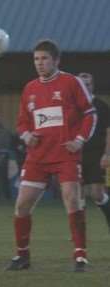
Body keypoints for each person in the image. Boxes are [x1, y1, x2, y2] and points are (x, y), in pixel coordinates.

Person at [7, 40, 96, 272]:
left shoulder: (71, 82)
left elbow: (89, 114)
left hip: (65, 154)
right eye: (36, 59)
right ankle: (22, 256)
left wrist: (79, 140)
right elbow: (22, 122)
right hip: (38, 156)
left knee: (71, 198)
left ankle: (80, 256)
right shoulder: (30, 88)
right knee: (22, 205)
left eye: (44, 58)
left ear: (56, 60)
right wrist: (27, 136)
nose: (40, 63)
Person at [77, 72, 110, 228]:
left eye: (88, 84)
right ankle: (80, 233)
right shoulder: (72, 106)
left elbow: (109, 132)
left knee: (97, 194)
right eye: (82, 84)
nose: (86, 87)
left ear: (93, 85)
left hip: (97, 155)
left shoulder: (102, 106)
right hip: (77, 154)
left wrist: (107, 154)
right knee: (78, 195)